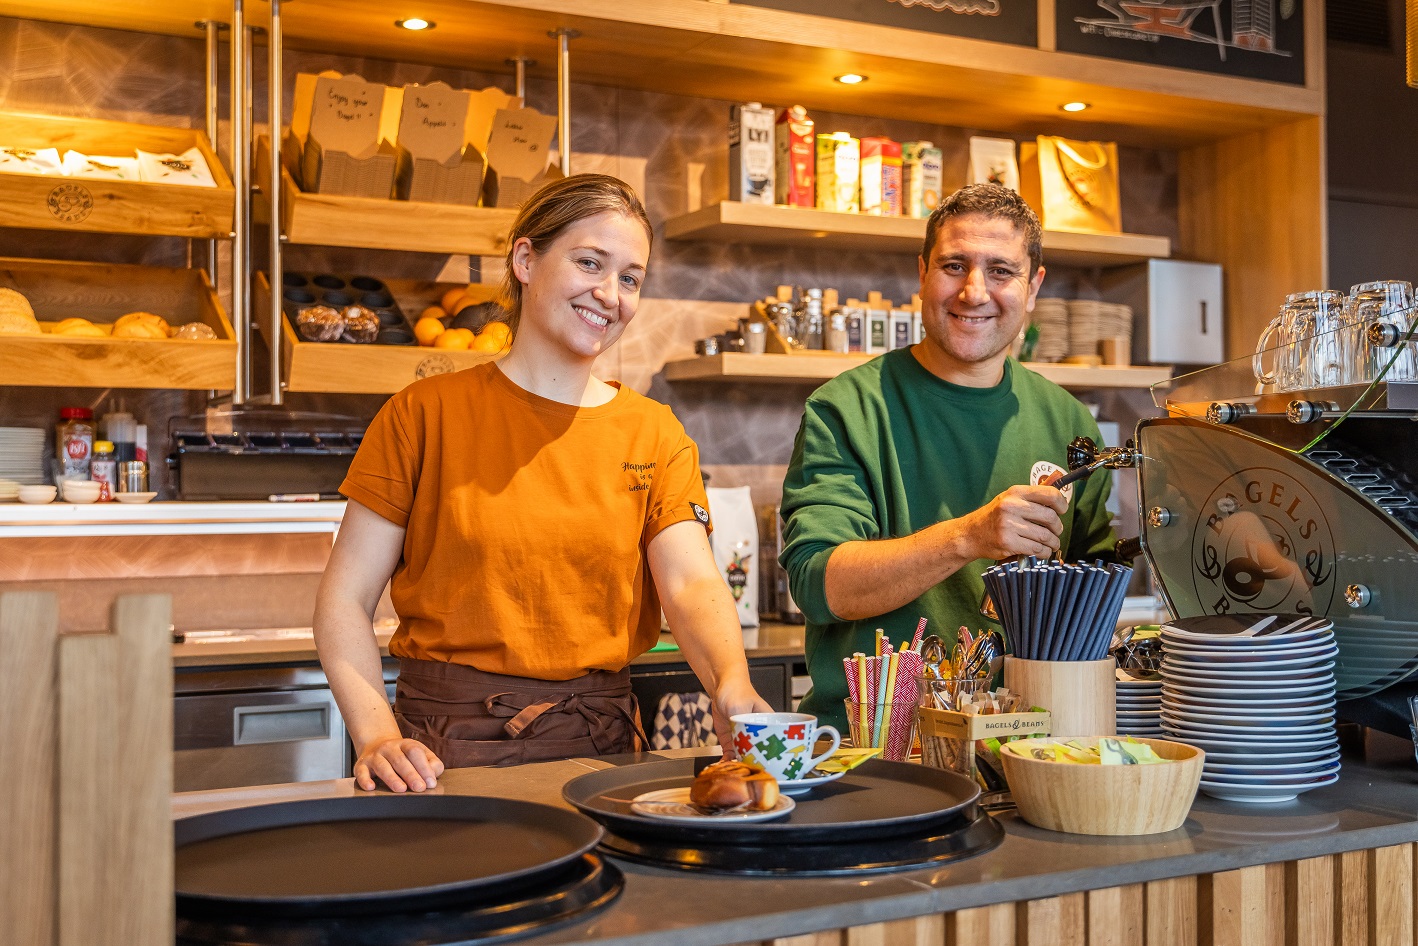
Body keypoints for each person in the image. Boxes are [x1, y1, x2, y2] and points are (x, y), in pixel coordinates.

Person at [315, 173, 770, 792]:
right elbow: (345, 599)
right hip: (443, 756)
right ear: (526, 259)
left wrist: (730, 681)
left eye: (631, 278)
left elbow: (689, 584)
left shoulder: (654, 433)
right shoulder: (423, 415)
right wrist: (376, 736)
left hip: (602, 754)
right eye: (590, 262)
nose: (610, 294)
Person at [780, 183, 1117, 731]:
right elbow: (821, 586)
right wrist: (968, 537)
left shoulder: (1070, 423)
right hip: (876, 747)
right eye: (954, 265)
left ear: (1033, 287)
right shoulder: (846, 409)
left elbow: (1094, 595)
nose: (974, 291)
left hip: (1027, 743)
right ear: (922, 274)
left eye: (1001, 271)